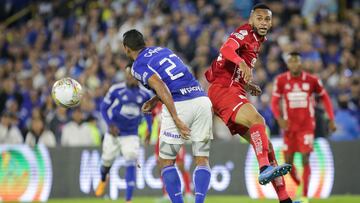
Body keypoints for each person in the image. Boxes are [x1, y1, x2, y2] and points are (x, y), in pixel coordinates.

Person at [204, 3, 292, 203]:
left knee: (267, 145)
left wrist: (246, 82)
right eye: (259, 18)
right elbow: (227, 49)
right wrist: (242, 63)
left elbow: (228, 66)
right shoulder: (245, 31)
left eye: (267, 19)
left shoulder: (258, 40)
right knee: (257, 120)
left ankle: (285, 199)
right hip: (223, 91)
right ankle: (263, 168)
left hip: (233, 89)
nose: (263, 22)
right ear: (251, 18)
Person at [123, 29, 213, 203]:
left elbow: (161, 85)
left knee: (166, 162)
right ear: (144, 42)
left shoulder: (137, 66)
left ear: (126, 48)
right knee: (202, 159)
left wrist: (176, 118)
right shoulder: (164, 50)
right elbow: (180, 76)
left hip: (179, 103)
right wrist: (155, 100)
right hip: (201, 99)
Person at [271, 52, 337, 202]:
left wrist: (331, 118)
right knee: (288, 163)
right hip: (289, 127)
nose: (294, 64)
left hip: (306, 127)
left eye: (296, 61)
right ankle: (300, 183)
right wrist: (278, 118)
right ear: (288, 64)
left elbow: (325, 97)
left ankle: (305, 195)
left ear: (301, 63)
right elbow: (274, 101)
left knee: (306, 159)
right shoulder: (281, 81)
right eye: (291, 62)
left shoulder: (312, 80)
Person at [95, 64, 153, 203]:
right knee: (106, 162)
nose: (130, 77)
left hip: (131, 134)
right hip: (114, 133)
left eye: (132, 75)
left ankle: (128, 199)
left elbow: (148, 113)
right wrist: (110, 125)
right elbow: (103, 108)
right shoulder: (116, 90)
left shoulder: (145, 94)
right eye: (127, 75)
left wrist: (149, 130)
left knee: (131, 159)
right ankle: (103, 178)